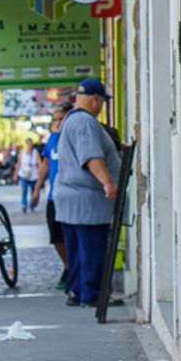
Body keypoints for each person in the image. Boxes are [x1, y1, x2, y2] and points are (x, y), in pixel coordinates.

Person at [52, 79, 122, 309]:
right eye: (102, 102)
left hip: (69, 198)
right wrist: (108, 183)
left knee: (77, 250)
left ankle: (77, 291)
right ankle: (91, 294)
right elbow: (91, 156)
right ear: (95, 99)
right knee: (92, 249)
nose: (101, 106)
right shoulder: (84, 122)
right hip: (86, 200)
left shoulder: (70, 120)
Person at [31, 103, 72, 289]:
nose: (58, 123)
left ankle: (73, 269)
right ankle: (68, 265)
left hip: (70, 194)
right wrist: (37, 190)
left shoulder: (72, 136)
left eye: (61, 118)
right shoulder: (51, 140)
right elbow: (45, 165)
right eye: (55, 119)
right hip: (52, 197)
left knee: (70, 234)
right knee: (56, 237)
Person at [15, 137, 41, 213]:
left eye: (30, 143)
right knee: (24, 190)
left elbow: (39, 164)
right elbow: (18, 164)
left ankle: (32, 205)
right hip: (24, 174)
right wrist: (16, 174)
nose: (29, 144)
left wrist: (40, 173)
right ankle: (24, 205)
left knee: (33, 191)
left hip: (33, 175)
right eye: (28, 143)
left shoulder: (35, 152)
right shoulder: (22, 153)